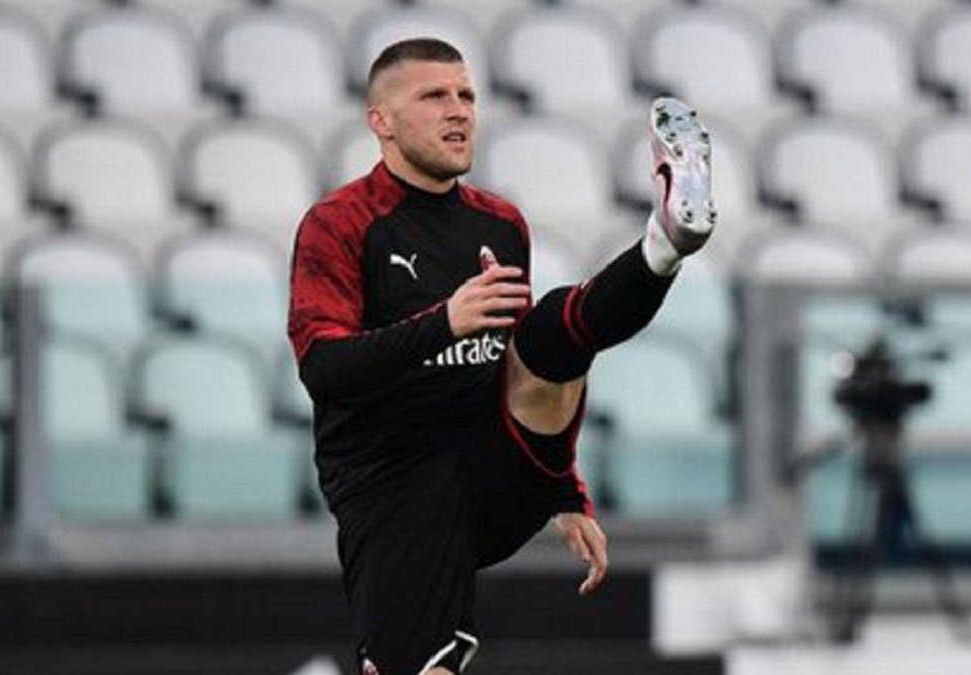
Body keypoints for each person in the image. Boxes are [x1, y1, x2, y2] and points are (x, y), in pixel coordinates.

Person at [287, 38, 715, 675]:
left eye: (467, 95)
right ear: (381, 121)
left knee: (549, 333)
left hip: (493, 467)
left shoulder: (500, 223)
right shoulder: (340, 223)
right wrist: (444, 324)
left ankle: (666, 243)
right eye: (434, 96)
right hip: (393, 483)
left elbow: (526, 367)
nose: (458, 110)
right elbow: (324, 370)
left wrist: (565, 489)